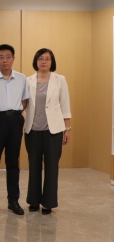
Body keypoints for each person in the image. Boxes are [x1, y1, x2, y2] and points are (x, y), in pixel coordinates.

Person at [24, 48, 71, 215]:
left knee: (51, 167)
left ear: (52, 62)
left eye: (47, 59)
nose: (43, 61)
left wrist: (67, 129)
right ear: (36, 61)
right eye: (40, 58)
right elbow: (23, 104)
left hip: (54, 131)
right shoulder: (27, 80)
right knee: (34, 166)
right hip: (33, 130)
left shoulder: (60, 80)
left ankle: (48, 203)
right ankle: (33, 201)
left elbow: (65, 104)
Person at [0, 44, 28, 216]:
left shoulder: (22, 78)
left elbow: (25, 101)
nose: (5, 60)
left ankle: (13, 201)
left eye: (8, 57)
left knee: (13, 162)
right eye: (1, 57)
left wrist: (15, 114)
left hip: (15, 120)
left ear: (13, 58)